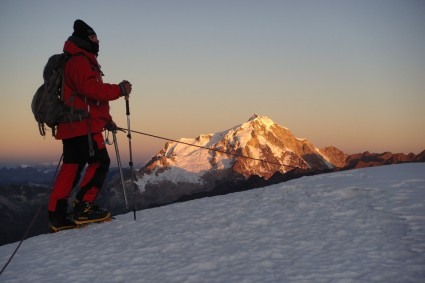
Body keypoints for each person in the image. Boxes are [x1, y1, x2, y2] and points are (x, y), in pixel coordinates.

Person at [47, 19, 132, 232]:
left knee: (71, 169)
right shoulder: (79, 61)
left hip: (73, 125)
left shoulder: (77, 60)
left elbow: (89, 99)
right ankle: (83, 207)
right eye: (94, 37)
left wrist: (106, 120)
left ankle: (57, 216)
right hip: (82, 126)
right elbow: (91, 90)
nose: (97, 41)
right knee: (100, 162)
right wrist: (120, 89)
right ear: (84, 39)